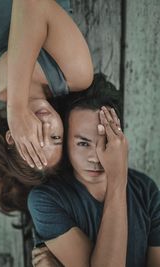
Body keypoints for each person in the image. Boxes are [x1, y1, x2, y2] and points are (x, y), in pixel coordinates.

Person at [28, 74, 160, 267]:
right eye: (83, 143)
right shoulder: (47, 199)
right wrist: (117, 179)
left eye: (106, 141)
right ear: (65, 143)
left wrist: (118, 176)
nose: (96, 157)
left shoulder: (145, 190)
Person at [0, 0, 94, 169]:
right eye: (55, 137)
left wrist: (17, 107)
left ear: (12, 137)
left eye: (36, 139)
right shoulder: (74, 74)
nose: (45, 126)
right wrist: (17, 106)